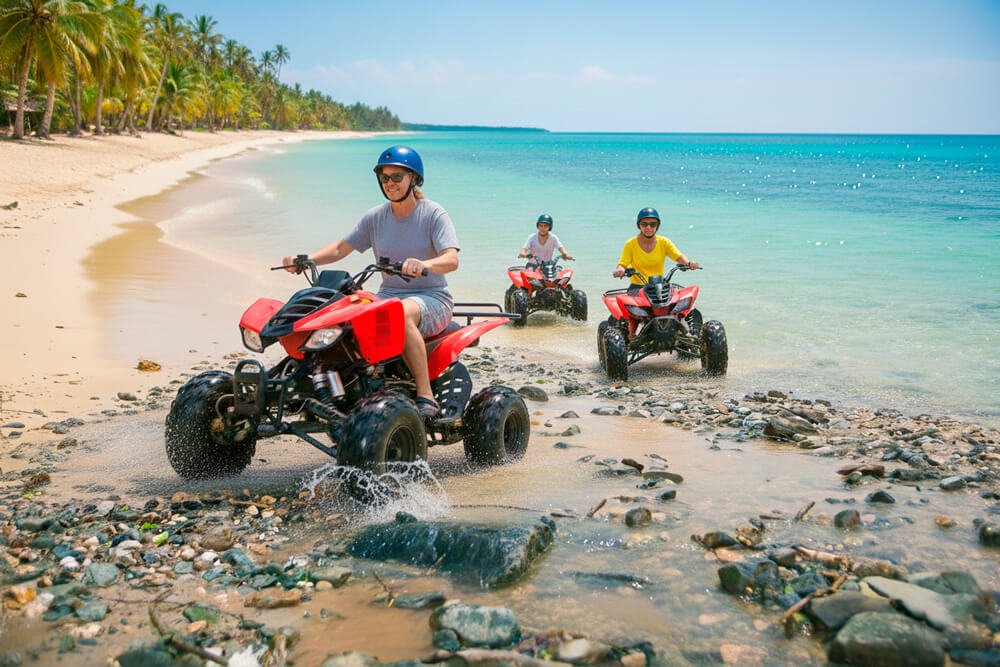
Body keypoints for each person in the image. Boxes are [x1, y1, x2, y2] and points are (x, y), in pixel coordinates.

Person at [282, 146, 459, 418]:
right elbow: (340, 248)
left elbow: (451, 259)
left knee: (399, 313)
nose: (390, 183)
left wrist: (424, 264)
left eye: (397, 177)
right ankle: (330, 386)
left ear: (414, 178)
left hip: (432, 297)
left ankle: (426, 394)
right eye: (384, 177)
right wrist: (304, 259)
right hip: (387, 295)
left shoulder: (433, 214)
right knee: (341, 315)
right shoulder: (375, 217)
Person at [612, 207, 699, 292]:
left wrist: (689, 263)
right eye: (644, 224)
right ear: (639, 225)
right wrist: (620, 270)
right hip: (637, 287)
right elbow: (622, 264)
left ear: (657, 226)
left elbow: (679, 257)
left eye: (653, 224)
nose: (648, 227)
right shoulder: (630, 244)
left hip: (659, 286)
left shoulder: (664, 242)